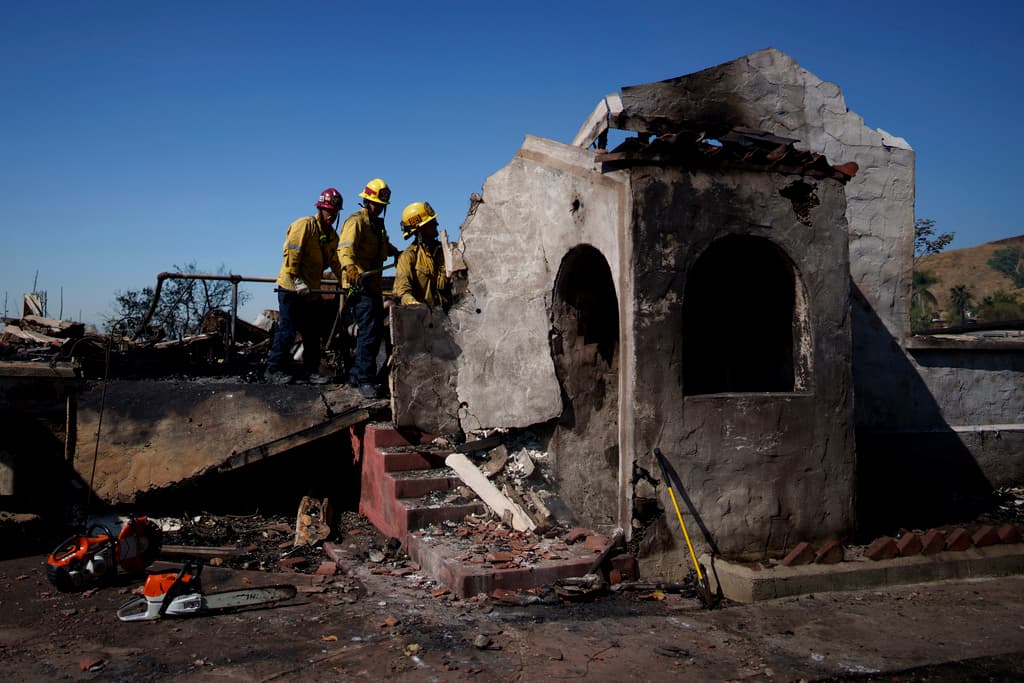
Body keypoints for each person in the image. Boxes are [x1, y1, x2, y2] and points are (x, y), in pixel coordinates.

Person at [266, 187, 346, 384]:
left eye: (335, 213)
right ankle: (273, 369)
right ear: (320, 209)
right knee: (288, 328)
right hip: (291, 288)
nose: (332, 216)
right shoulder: (304, 226)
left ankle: (311, 371)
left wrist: (348, 282)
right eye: (329, 212)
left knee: (312, 332)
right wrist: (296, 279)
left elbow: (336, 263)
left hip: (309, 290)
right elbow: (292, 254)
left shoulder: (331, 237)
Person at [338, 178, 400, 398]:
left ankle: (357, 374)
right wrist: (350, 268)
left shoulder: (377, 225)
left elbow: (383, 246)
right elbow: (345, 249)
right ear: (367, 201)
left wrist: (396, 252)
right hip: (359, 285)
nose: (379, 208)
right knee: (369, 331)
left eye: (382, 206)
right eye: (376, 204)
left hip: (373, 285)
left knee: (371, 332)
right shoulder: (356, 222)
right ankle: (365, 379)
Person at [394, 201, 451, 310]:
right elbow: (402, 290)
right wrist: (414, 304)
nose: (436, 225)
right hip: (422, 319)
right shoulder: (408, 257)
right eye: (431, 223)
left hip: (447, 315)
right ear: (420, 229)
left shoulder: (445, 251)